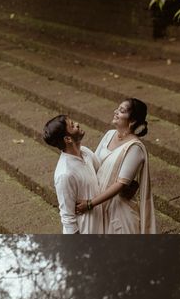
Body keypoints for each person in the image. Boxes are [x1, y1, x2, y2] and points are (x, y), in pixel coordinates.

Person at [75, 98, 157, 234]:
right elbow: (95, 164)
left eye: (121, 111)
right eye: (117, 109)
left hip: (117, 210)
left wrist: (90, 204)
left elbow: (121, 184)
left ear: (133, 121)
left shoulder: (134, 148)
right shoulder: (109, 134)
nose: (116, 112)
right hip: (97, 203)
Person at [43, 114, 103, 234]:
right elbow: (67, 217)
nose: (77, 124)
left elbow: (103, 174)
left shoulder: (85, 152)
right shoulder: (65, 174)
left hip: (102, 224)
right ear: (68, 139)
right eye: (72, 125)